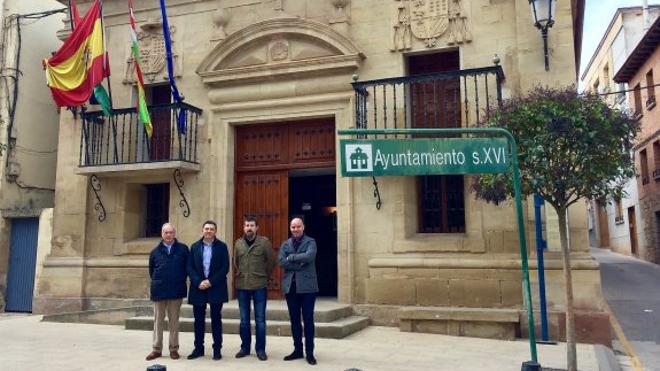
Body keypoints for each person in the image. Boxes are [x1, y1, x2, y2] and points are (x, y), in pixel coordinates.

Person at [233, 215, 276, 361]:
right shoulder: (238, 243)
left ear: (257, 227)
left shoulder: (264, 243)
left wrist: (264, 276)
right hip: (242, 286)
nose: (249, 228)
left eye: (251, 225)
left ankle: (260, 349)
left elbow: (271, 262)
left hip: (259, 285)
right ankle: (245, 348)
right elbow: (236, 262)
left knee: (260, 320)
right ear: (243, 228)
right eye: (246, 225)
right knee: (244, 320)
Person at [186, 220, 230, 360]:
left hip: (216, 287)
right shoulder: (194, 247)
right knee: (198, 320)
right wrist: (199, 281)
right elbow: (189, 267)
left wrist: (210, 281)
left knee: (216, 319)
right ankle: (198, 348)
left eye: (211, 229)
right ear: (202, 230)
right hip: (198, 287)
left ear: (215, 231)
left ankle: (217, 349)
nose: (209, 231)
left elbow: (225, 268)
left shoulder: (222, 247)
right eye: (206, 228)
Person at [146, 223, 189, 361]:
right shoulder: (155, 252)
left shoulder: (183, 249)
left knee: (174, 322)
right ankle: (156, 349)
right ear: (162, 234)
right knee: (158, 321)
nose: (168, 235)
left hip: (176, 291)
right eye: (166, 232)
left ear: (174, 233)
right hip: (159, 291)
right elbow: (152, 271)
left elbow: (187, 268)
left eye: (171, 232)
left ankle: (173, 348)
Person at [279, 217, 319, 365]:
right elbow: (281, 261)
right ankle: (297, 350)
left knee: (308, 320)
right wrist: (298, 264)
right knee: (294, 320)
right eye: (293, 227)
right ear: (290, 228)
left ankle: (310, 353)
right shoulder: (286, 244)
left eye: (298, 227)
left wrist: (292, 258)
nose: (295, 229)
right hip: (291, 288)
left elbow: (309, 257)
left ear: (303, 227)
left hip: (308, 288)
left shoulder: (311, 242)